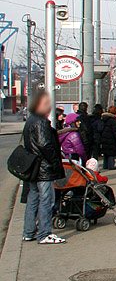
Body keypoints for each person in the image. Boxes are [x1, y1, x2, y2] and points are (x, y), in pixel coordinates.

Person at [22, 89, 66, 244]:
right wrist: (55, 162)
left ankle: (28, 232)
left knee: (33, 198)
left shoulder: (30, 120)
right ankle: (44, 233)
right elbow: (45, 145)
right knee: (46, 200)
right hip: (43, 169)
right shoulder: (40, 122)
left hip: (34, 168)